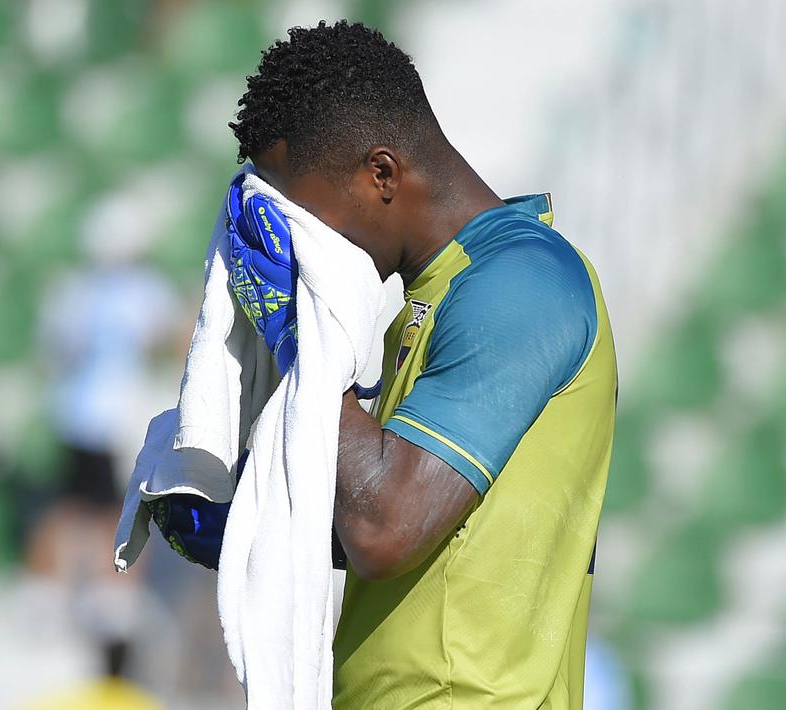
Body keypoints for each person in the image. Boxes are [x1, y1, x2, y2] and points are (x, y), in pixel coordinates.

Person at [154, 21, 617, 709]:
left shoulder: (520, 284)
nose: (299, 242)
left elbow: (386, 528)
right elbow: (433, 535)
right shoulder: (435, 294)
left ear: (381, 174)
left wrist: (294, 338)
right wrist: (250, 525)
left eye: (304, 214)